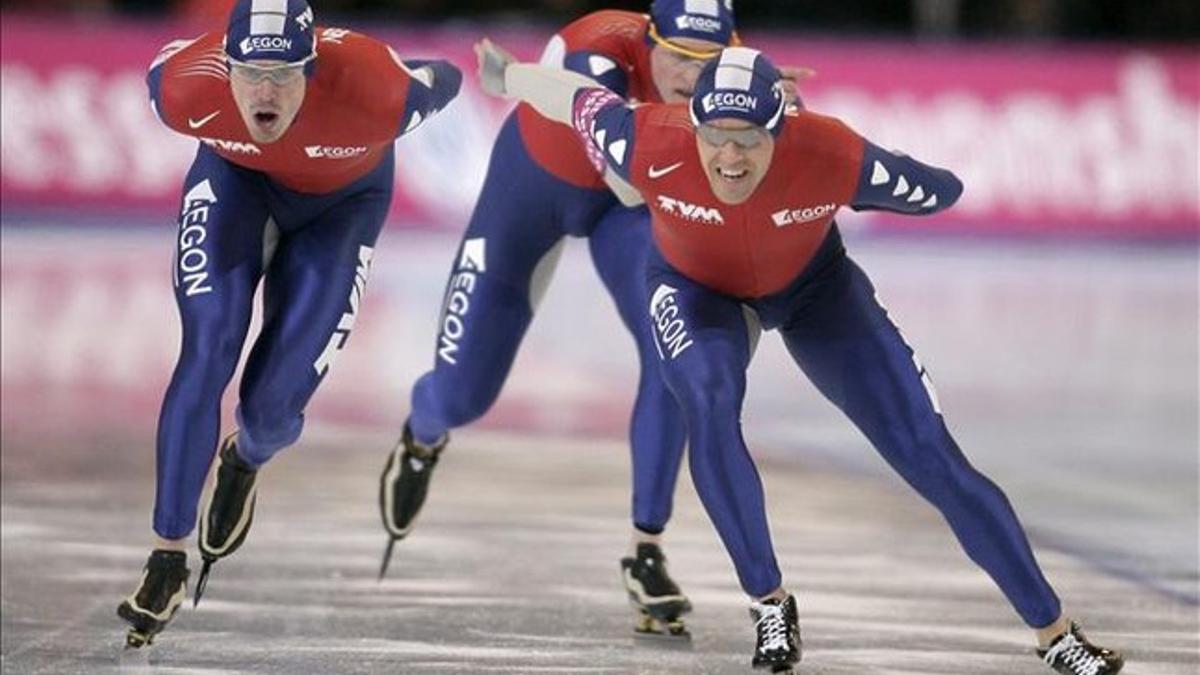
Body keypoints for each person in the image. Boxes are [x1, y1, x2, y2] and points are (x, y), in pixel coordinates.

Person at [475, 41, 1125, 675]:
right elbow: (578, 97)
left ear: (781, 127)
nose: (730, 157)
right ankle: (769, 602)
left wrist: (915, 181)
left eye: (750, 137)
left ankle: (1054, 632)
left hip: (817, 292)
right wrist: (510, 77)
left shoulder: (831, 150)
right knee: (707, 400)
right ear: (691, 123)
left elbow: (938, 191)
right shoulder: (644, 136)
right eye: (715, 135)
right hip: (695, 289)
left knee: (929, 453)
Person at [377, 0, 806, 638]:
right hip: (534, 190)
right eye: (676, 58)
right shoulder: (599, 49)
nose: (689, 76)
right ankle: (424, 432)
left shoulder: (733, 80)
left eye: (706, 62)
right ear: (647, 40)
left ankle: (646, 547)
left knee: (673, 354)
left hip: (624, 215)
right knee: (463, 392)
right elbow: (630, 166)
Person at [115, 0, 461, 648]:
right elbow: (159, 66)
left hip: (345, 206)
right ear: (227, 66)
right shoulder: (186, 87)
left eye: (283, 74)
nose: (265, 92)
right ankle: (165, 554)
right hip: (236, 185)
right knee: (208, 345)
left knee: (272, 410)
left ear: (312, 65)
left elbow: (445, 77)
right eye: (249, 72)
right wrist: (170, 547)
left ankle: (244, 460)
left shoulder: (378, 89)